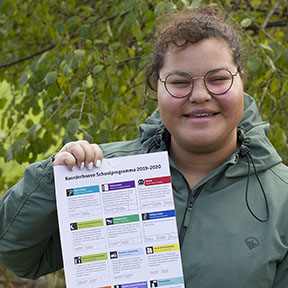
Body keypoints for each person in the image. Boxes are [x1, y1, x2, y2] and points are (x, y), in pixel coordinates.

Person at [1, 6, 288, 288]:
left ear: (242, 80)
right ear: (157, 88)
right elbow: (17, 256)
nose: (200, 95)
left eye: (218, 79)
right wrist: (55, 179)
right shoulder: (101, 173)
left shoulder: (282, 197)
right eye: (179, 82)